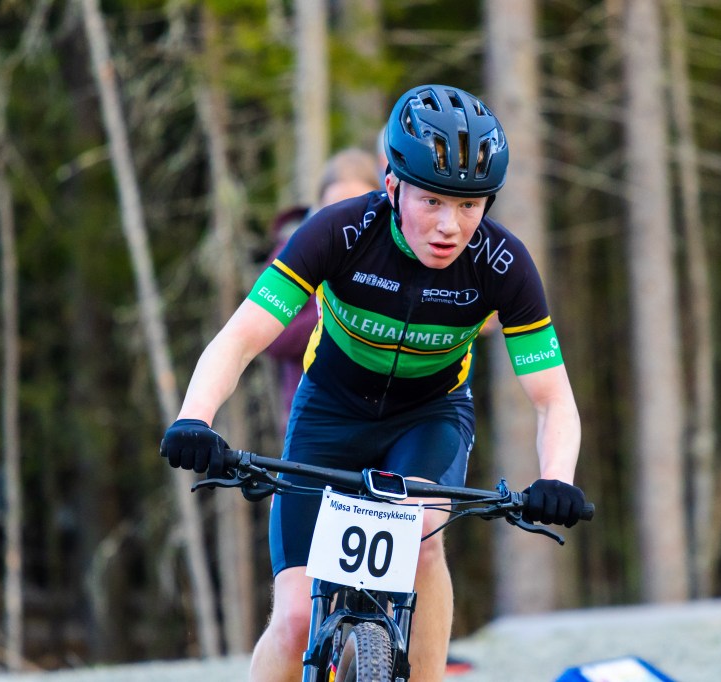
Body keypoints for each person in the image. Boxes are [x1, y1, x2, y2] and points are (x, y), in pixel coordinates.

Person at [161, 84, 585, 682]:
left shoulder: (503, 265)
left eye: (470, 205)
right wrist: (194, 418)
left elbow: (552, 398)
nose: (450, 226)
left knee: (423, 542)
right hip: (330, 411)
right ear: (392, 186)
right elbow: (241, 339)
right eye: (432, 201)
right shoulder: (339, 232)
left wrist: (556, 478)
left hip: (430, 415)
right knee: (295, 623)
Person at [263, 148, 381, 435]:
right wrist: (336, 313)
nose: (347, 219)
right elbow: (271, 336)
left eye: (359, 206)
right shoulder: (295, 252)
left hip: (381, 417)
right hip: (312, 415)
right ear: (319, 208)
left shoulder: (396, 255)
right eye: (335, 208)